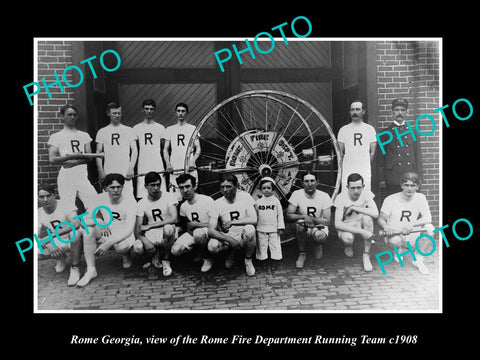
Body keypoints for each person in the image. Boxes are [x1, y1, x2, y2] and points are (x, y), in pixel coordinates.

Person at [77, 173, 140, 287]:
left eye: (119, 187)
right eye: (112, 187)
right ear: (106, 188)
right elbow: (81, 221)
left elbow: (129, 229)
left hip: (124, 233)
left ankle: (126, 255)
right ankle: (91, 269)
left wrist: (109, 243)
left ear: (122, 187)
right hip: (107, 230)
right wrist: (99, 221)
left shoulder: (130, 201)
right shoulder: (100, 198)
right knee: (88, 231)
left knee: (122, 247)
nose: (116, 190)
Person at [377, 172, 434, 275]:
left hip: (411, 233)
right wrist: (386, 227)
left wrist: (412, 224)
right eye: (406, 185)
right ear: (401, 185)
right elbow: (380, 219)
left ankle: (418, 259)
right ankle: (398, 250)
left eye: (413, 185)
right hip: (395, 234)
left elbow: (428, 217)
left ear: (418, 186)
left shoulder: (420, 197)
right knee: (395, 241)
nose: (409, 189)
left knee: (430, 228)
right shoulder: (390, 199)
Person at [48, 104, 98, 213]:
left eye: (74, 115)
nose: (72, 117)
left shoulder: (84, 135)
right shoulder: (56, 136)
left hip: (82, 176)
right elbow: (52, 159)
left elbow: (89, 158)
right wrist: (71, 156)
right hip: (66, 176)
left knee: (95, 202)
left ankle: (88, 228)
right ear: (62, 116)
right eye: (69, 114)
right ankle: (72, 229)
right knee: (68, 209)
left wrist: (75, 162)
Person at [207, 174, 257, 276]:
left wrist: (232, 222)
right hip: (228, 237)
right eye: (222, 187)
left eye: (228, 186)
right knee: (212, 246)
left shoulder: (245, 197)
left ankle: (248, 260)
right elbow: (210, 230)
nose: (225, 190)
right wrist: (229, 239)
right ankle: (231, 252)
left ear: (236, 186)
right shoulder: (217, 203)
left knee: (250, 229)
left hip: (242, 236)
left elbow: (254, 219)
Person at [37, 183, 83, 286]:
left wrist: (50, 237)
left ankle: (75, 268)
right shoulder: (38, 213)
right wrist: (49, 245)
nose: (45, 199)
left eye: (48, 196)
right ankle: (60, 257)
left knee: (74, 233)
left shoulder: (65, 204)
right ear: (37, 198)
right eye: (41, 197)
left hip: (75, 239)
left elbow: (75, 224)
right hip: (58, 241)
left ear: (54, 195)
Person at [377, 98, 423, 201]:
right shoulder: (384, 134)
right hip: (392, 177)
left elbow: (418, 156)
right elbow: (380, 159)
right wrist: (381, 179)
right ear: (392, 112)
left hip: (409, 177)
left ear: (406, 112)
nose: (399, 113)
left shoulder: (413, 132)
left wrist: (419, 177)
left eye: (402, 110)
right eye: (397, 110)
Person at [134, 171, 178, 277]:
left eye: (158, 184)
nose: (156, 188)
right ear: (146, 186)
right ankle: (153, 257)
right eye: (152, 185)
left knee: (168, 229)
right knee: (137, 247)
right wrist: (146, 242)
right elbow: (137, 229)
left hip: (167, 230)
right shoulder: (141, 203)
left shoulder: (169, 196)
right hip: (152, 233)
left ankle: (166, 260)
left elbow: (174, 219)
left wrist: (150, 225)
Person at [333, 173, 378, 272]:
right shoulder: (341, 197)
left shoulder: (366, 193)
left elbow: (375, 213)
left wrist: (353, 207)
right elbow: (337, 224)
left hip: (360, 223)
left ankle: (366, 255)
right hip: (347, 226)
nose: (356, 191)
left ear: (363, 186)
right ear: (347, 187)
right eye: (352, 188)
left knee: (368, 218)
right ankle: (348, 246)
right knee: (348, 239)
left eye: (359, 187)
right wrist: (362, 232)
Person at [286, 173, 332, 269]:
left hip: (318, 225)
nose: (310, 184)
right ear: (302, 183)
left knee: (320, 237)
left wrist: (311, 219)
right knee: (299, 226)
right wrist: (304, 216)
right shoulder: (297, 194)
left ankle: (317, 245)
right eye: (306, 181)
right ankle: (302, 253)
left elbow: (327, 221)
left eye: (312, 181)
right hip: (304, 224)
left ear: (317, 182)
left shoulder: (324, 196)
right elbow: (289, 215)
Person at [171, 173, 215, 273]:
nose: (185, 190)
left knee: (198, 233)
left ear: (194, 186)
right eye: (181, 188)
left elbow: (218, 225)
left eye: (187, 186)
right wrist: (177, 230)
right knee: (175, 250)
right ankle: (197, 250)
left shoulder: (207, 200)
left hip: (210, 232)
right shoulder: (183, 206)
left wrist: (198, 225)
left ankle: (207, 258)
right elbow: (185, 226)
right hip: (194, 233)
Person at [95, 102, 138, 198]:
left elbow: (134, 150)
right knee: (108, 198)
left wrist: (131, 168)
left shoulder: (129, 130)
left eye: (119, 113)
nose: (117, 115)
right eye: (114, 113)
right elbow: (98, 153)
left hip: (125, 170)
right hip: (109, 170)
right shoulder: (102, 131)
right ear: (108, 113)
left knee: (128, 197)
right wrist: (100, 170)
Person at [163, 103, 201, 199]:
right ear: (175, 113)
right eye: (178, 111)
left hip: (190, 167)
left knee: (191, 196)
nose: (181, 113)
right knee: (175, 198)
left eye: (183, 111)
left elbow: (198, 148)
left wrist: (193, 161)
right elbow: (165, 150)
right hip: (175, 167)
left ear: (187, 113)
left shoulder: (192, 128)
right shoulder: (170, 129)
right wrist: (168, 163)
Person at [337, 100, 377, 191]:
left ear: (363, 111)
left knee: (364, 190)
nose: (355, 112)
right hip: (348, 167)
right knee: (347, 191)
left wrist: (363, 163)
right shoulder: (343, 130)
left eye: (358, 109)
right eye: (352, 110)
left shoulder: (370, 129)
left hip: (364, 167)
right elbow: (340, 153)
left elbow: (372, 152)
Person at [133, 99, 167, 199]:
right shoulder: (136, 128)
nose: (149, 111)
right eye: (146, 109)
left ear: (154, 110)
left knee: (160, 192)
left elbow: (164, 148)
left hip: (157, 162)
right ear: (142, 110)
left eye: (151, 109)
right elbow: (134, 148)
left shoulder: (160, 128)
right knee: (143, 194)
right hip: (143, 162)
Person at [254, 177, 285, 271]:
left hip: (273, 228)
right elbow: (256, 215)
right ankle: (263, 261)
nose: (266, 190)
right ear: (261, 189)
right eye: (264, 188)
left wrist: (280, 227)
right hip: (261, 227)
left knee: (274, 245)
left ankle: (275, 261)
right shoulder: (258, 202)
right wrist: (255, 227)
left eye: (268, 188)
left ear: (273, 189)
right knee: (262, 245)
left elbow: (280, 215)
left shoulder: (276, 201)